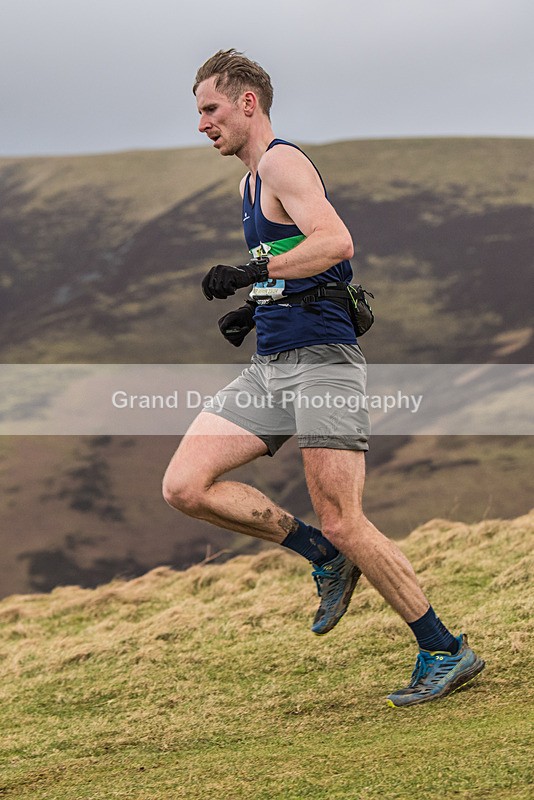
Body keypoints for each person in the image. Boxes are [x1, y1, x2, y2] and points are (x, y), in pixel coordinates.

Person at [162, 49, 485, 707]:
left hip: (321, 367)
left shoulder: (282, 160)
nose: (201, 124)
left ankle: (444, 649)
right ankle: (321, 557)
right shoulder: (249, 183)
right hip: (272, 364)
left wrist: (250, 276)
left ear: (247, 102)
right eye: (198, 112)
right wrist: (252, 312)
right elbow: (298, 264)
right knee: (186, 485)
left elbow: (335, 242)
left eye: (209, 109)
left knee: (345, 519)